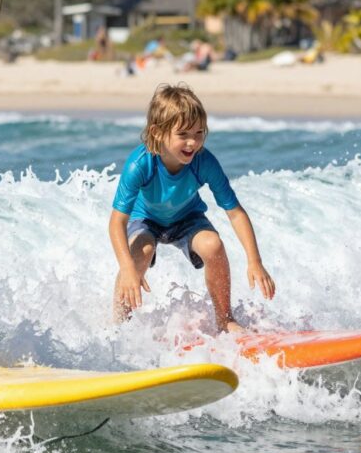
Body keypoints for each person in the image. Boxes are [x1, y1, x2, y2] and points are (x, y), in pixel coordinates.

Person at [108, 84, 274, 332]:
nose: (192, 142)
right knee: (139, 253)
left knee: (213, 245)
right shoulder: (140, 164)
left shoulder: (203, 162)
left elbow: (235, 213)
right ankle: (118, 326)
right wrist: (128, 268)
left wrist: (255, 260)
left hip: (187, 218)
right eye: (183, 134)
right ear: (157, 133)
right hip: (146, 220)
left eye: (199, 133)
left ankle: (224, 320)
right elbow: (116, 223)